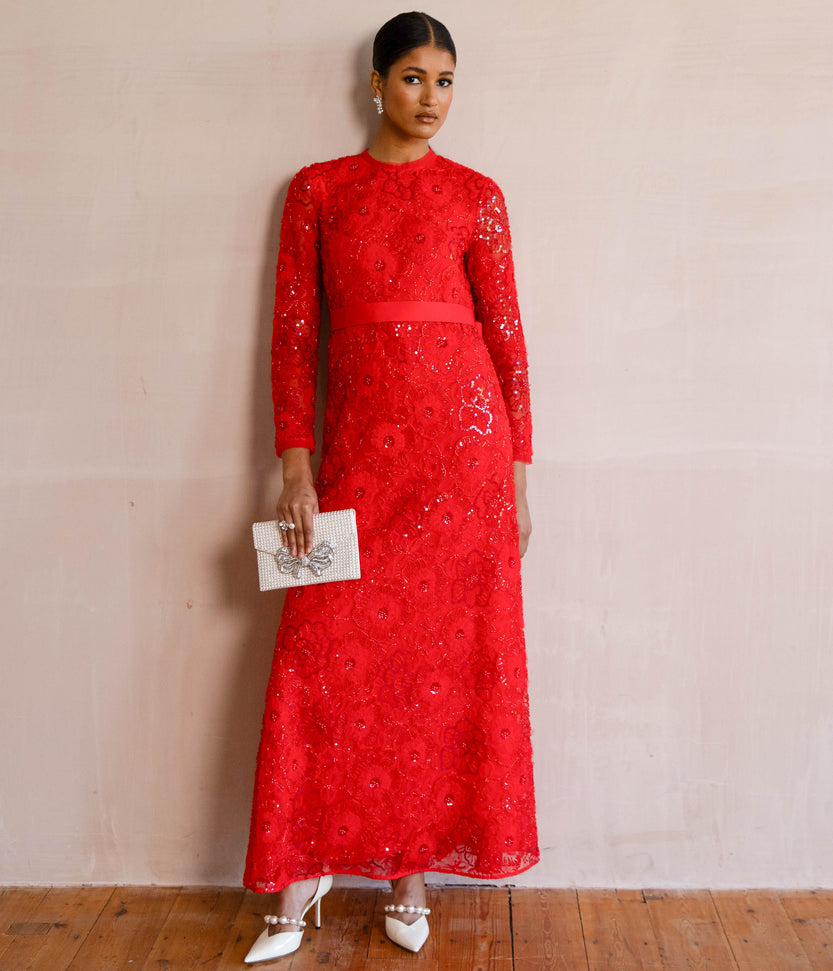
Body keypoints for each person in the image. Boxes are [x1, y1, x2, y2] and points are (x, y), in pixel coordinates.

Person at [242, 11, 539, 964]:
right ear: (375, 84)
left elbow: (507, 338)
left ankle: (409, 877)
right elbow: (294, 336)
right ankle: (299, 876)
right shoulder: (318, 190)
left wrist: (518, 476)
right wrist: (295, 465)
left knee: (434, 675)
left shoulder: (477, 195)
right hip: (359, 466)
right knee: (320, 657)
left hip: (464, 463)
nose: (430, 98)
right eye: (413, 78)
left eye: (445, 81)